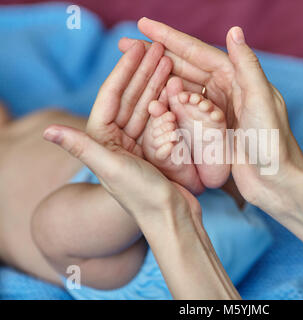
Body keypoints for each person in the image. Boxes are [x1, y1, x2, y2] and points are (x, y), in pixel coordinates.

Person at [43, 18, 303, 299]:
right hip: (144, 257)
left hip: (161, 227)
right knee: (51, 229)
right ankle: (184, 174)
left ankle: (164, 176)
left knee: (57, 227)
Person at [0, 41, 271, 298]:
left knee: (137, 128)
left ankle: (197, 160)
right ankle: (151, 179)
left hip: (206, 197)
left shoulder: (33, 119)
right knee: (51, 225)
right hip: (128, 260)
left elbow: (119, 133)